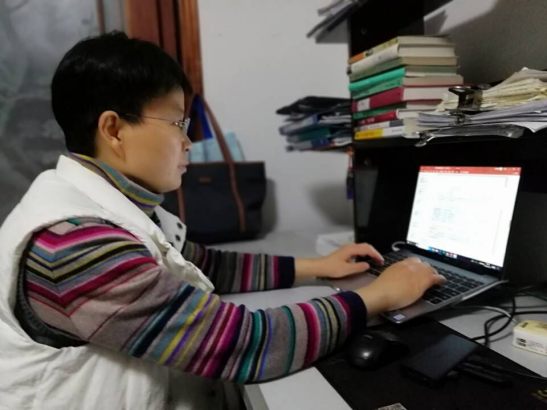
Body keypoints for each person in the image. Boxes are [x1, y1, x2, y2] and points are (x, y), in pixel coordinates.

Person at [0, 32, 445, 410]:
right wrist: (379, 296)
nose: (188, 141)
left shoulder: (112, 210)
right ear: (114, 129)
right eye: (177, 123)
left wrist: (317, 266)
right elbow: (242, 343)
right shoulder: (77, 245)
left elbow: (206, 265)